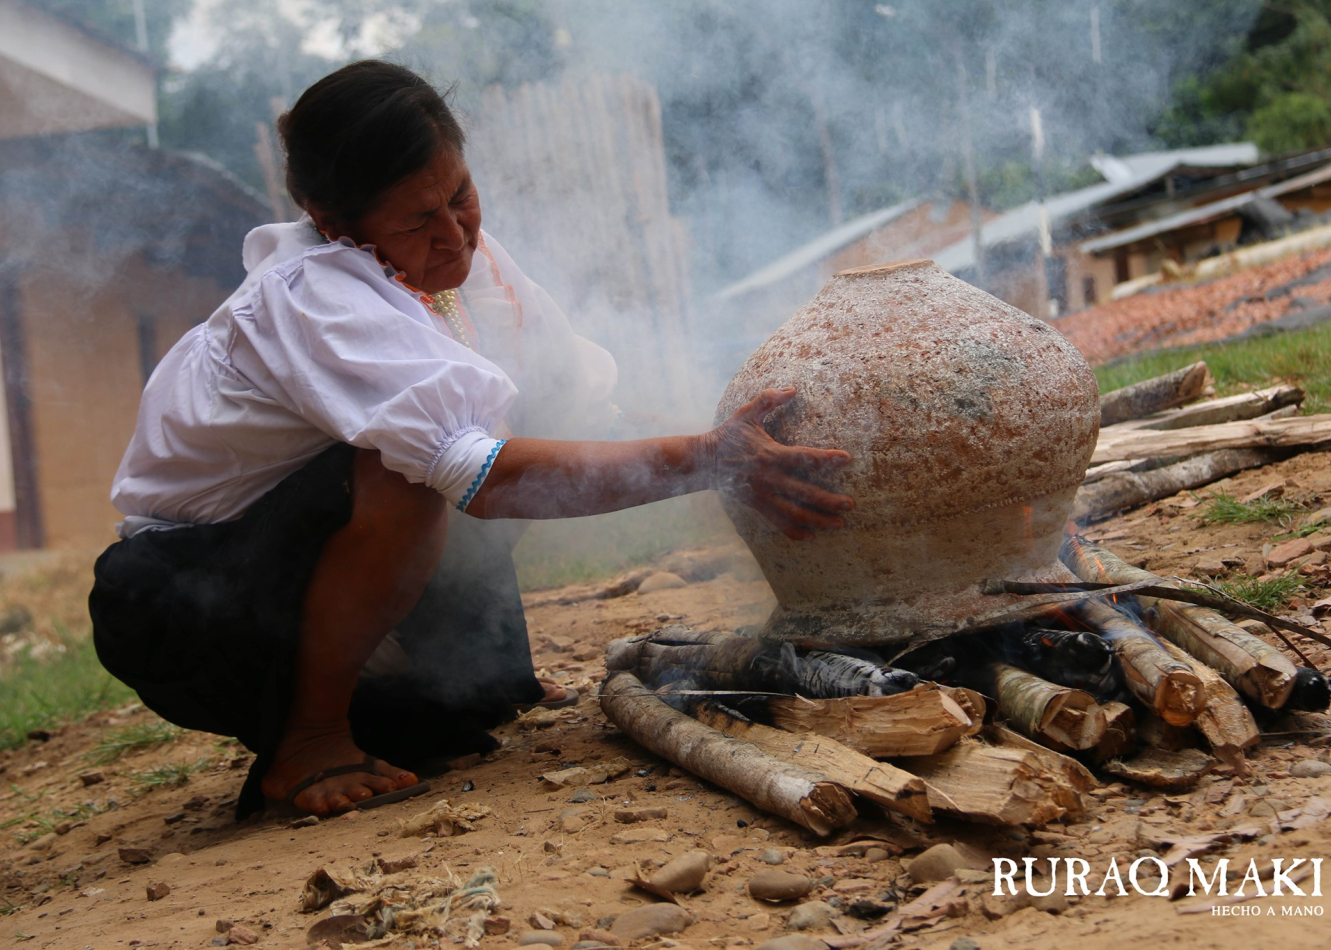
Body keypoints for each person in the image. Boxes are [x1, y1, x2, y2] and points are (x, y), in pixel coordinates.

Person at [89, 61, 853, 820]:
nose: (454, 234)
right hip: (193, 605)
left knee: (464, 703)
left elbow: (586, 412)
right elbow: (484, 480)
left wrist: (732, 449)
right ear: (332, 220)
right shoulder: (313, 295)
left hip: (309, 574)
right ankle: (309, 738)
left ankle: (475, 675)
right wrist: (708, 460)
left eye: (460, 197)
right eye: (417, 221)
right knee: (419, 467)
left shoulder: (469, 267)